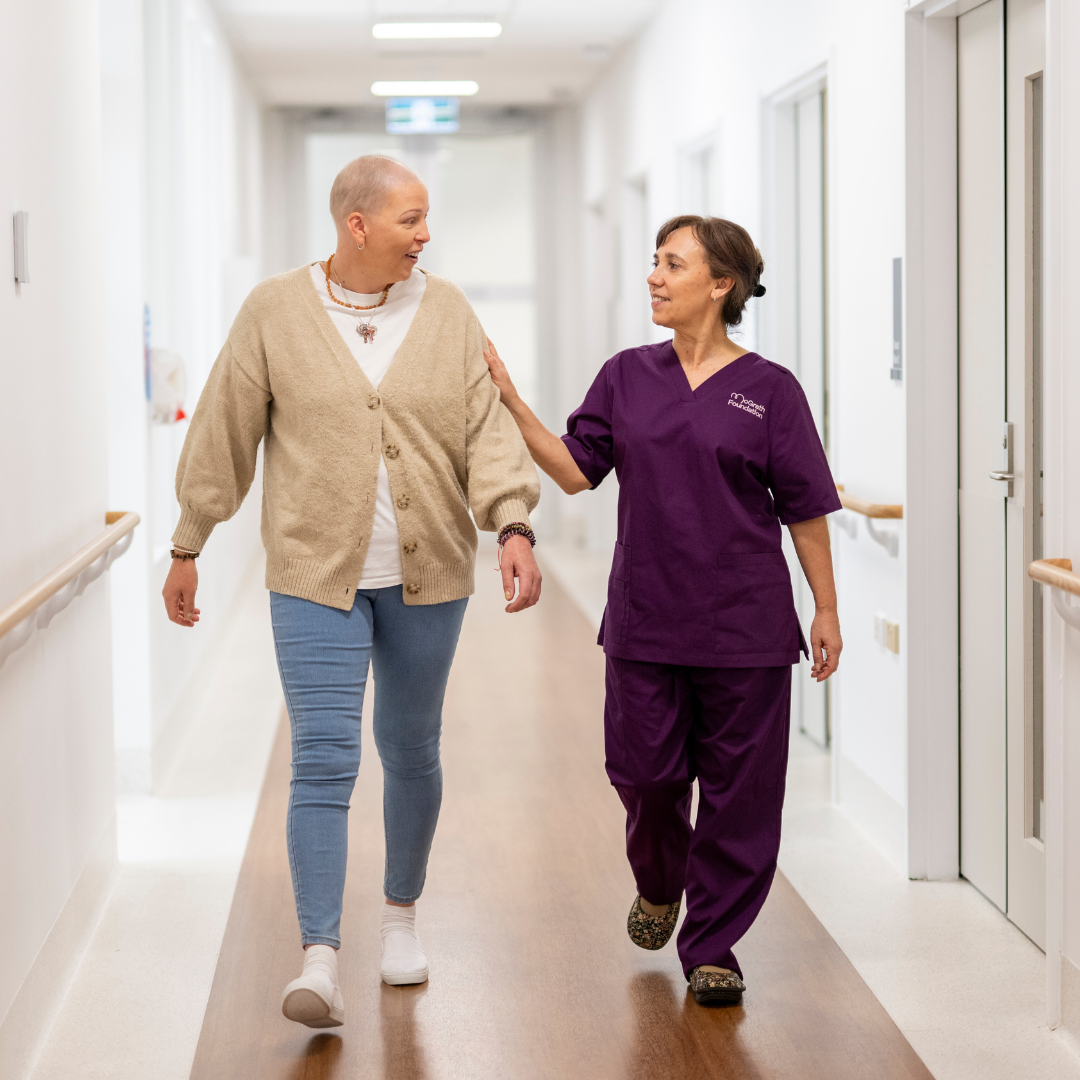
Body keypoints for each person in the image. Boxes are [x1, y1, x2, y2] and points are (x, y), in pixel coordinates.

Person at [162, 155, 541, 1029]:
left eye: (429, 217)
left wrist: (513, 523)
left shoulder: (446, 311)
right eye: (411, 218)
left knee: (411, 749)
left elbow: (485, 430)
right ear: (356, 225)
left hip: (430, 573)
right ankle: (321, 957)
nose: (426, 234)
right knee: (323, 763)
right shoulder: (273, 311)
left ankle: (401, 920)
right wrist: (189, 539)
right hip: (312, 577)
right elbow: (224, 429)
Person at [483, 214, 842, 1006]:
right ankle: (659, 880)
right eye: (654, 261)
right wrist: (511, 401)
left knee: (739, 793)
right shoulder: (626, 375)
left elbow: (806, 511)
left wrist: (825, 608)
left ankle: (713, 945)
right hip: (648, 617)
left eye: (671, 264)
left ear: (720, 284)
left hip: (745, 624)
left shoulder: (771, 391)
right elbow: (578, 472)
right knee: (644, 776)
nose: (653, 276)